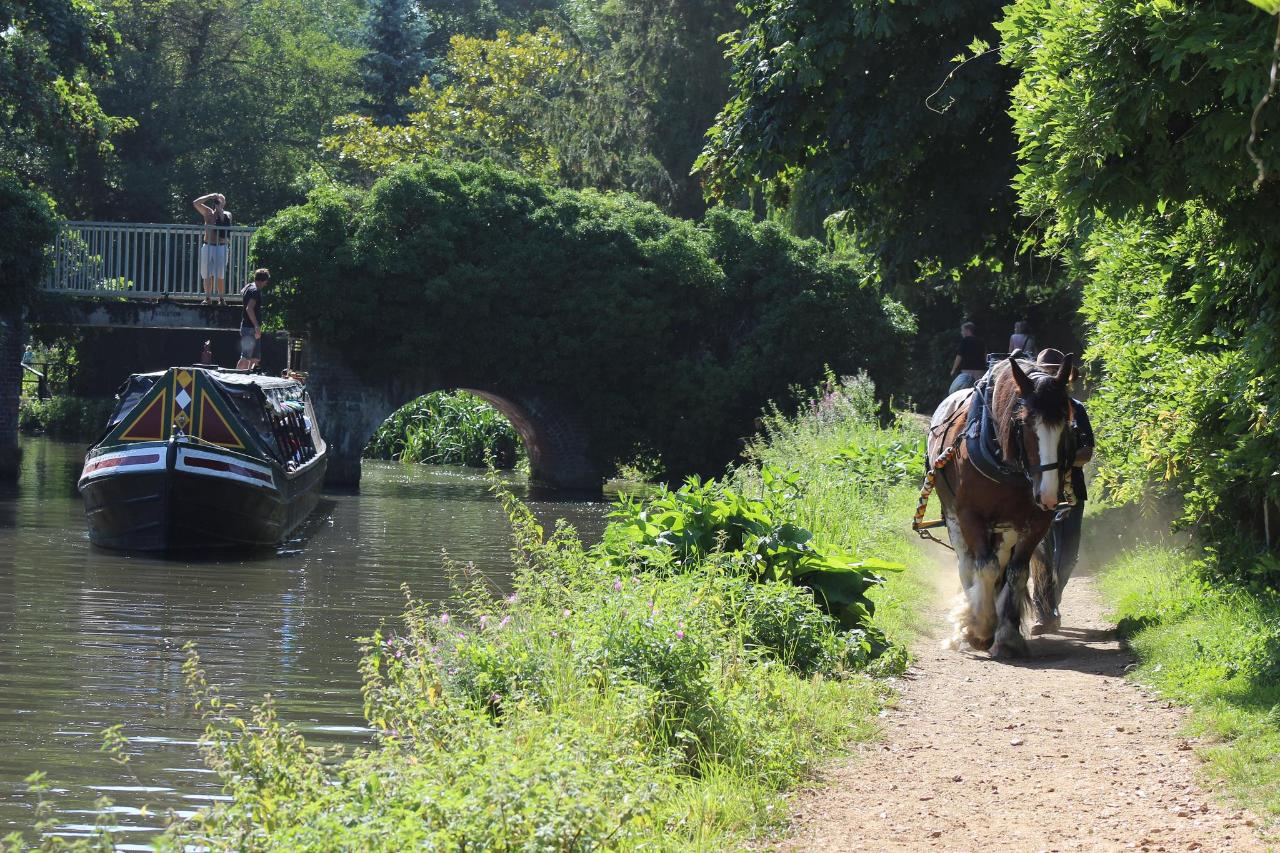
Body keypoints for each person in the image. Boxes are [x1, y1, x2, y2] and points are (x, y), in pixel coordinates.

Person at [1036, 347, 1094, 598]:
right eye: (1045, 372)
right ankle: (1045, 607)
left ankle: (1052, 599)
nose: (1051, 378)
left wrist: (1061, 463)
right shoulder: (1030, 411)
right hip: (1039, 492)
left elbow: (1087, 451)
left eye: (1055, 373)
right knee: (1041, 556)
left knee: (1068, 556)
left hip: (1071, 491)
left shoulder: (1077, 409)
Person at [193, 192, 232, 303]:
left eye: (221, 200)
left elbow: (224, 221)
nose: (218, 202)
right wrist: (210, 196)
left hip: (221, 246)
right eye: (217, 200)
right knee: (206, 273)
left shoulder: (227, 214)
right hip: (208, 245)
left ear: (224, 202)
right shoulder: (208, 213)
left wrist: (219, 210)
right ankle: (208, 297)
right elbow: (196, 203)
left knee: (220, 273)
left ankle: (221, 298)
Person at [238, 268, 269, 371]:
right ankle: (235, 378)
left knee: (255, 358)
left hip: (249, 327)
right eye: (265, 282)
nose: (266, 284)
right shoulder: (255, 291)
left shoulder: (249, 286)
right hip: (250, 327)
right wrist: (256, 326)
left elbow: (242, 292)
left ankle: (248, 376)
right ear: (262, 281)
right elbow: (249, 308)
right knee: (245, 357)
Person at [949, 321, 986, 393]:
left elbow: (959, 356)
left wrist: (953, 370)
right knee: (979, 393)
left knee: (964, 393)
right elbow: (985, 356)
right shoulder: (981, 341)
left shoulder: (964, 341)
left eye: (962, 330)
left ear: (967, 330)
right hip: (980, 372)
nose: (961, 333)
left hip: (967, 371)